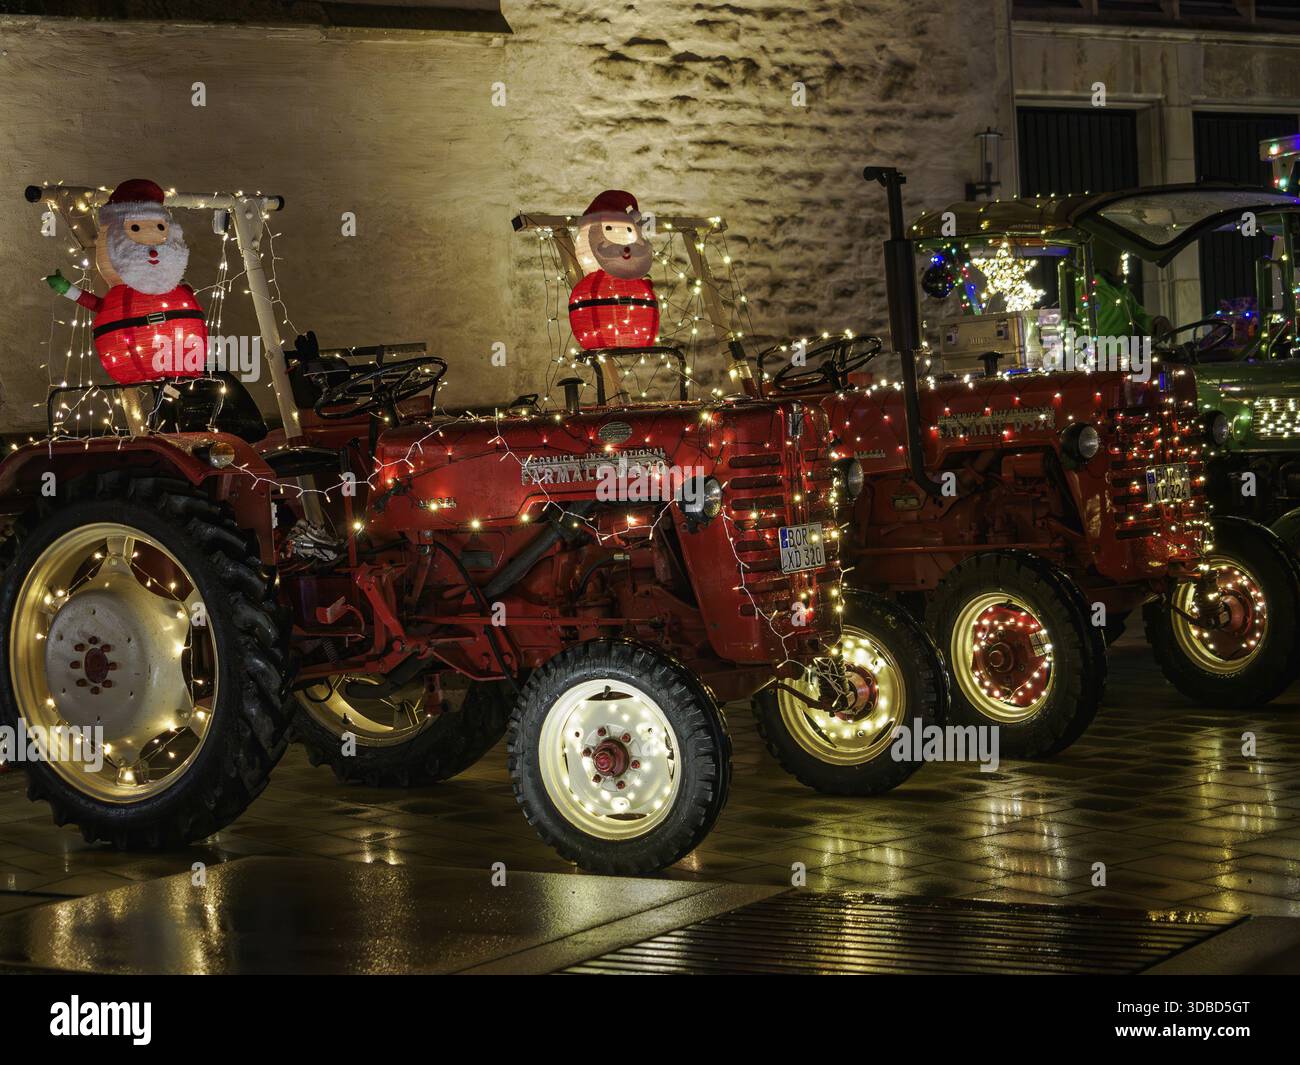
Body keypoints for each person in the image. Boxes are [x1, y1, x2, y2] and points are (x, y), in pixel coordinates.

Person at [1090, 240, 1171, 339]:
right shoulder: (1086, 290)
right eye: (1121, 259)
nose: (1124, 263)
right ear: (1109, 261)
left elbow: (1138, 317)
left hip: (1128, 351)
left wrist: (1154, 323)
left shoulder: (1122, 291)